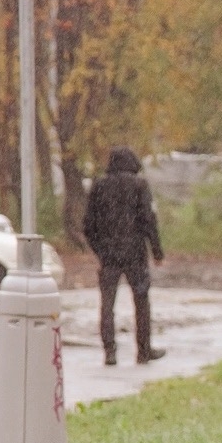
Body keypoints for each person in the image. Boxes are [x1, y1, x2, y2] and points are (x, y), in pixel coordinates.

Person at [82, 146, 165, 365]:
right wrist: (156, 251)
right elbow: (149, 220)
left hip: (108, 254)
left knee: (107, 304)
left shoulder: (99, 186)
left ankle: (110, 351)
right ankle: (144, 351)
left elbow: (88, 225)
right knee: (141, 301)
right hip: (135, 253)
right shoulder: (139, 185)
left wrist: (99, 249)